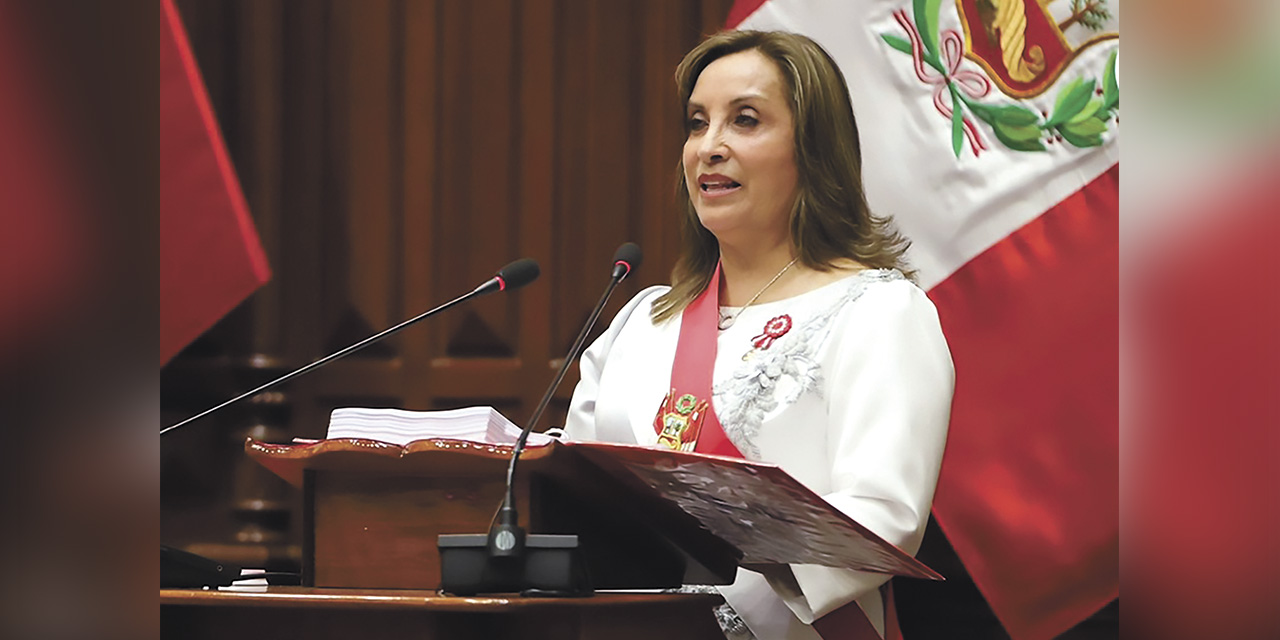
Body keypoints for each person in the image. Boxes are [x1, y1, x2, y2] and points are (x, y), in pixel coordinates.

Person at [562, 30, 954, 640]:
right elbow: (573, 495)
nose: (709, 147)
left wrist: (716, 538)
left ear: (813, 151)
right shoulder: (640, 320)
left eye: (744, 121)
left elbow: (885, 515)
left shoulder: (879, 312)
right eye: (697, 123)